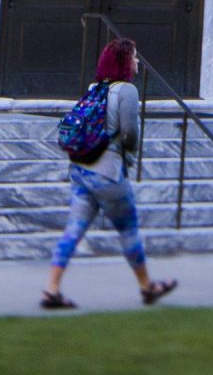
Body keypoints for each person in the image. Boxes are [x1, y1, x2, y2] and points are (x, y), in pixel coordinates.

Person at [40, 38, 178, 309]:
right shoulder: (127, 91)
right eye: (135, 57)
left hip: (81, 169)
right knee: (128, 230)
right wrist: (130, 153)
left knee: (74, 229)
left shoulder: (95, 88)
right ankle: (147, 286)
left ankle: (52, 288)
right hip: (108, 172)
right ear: (125, 62)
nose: (138, 62)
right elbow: (129, 133)